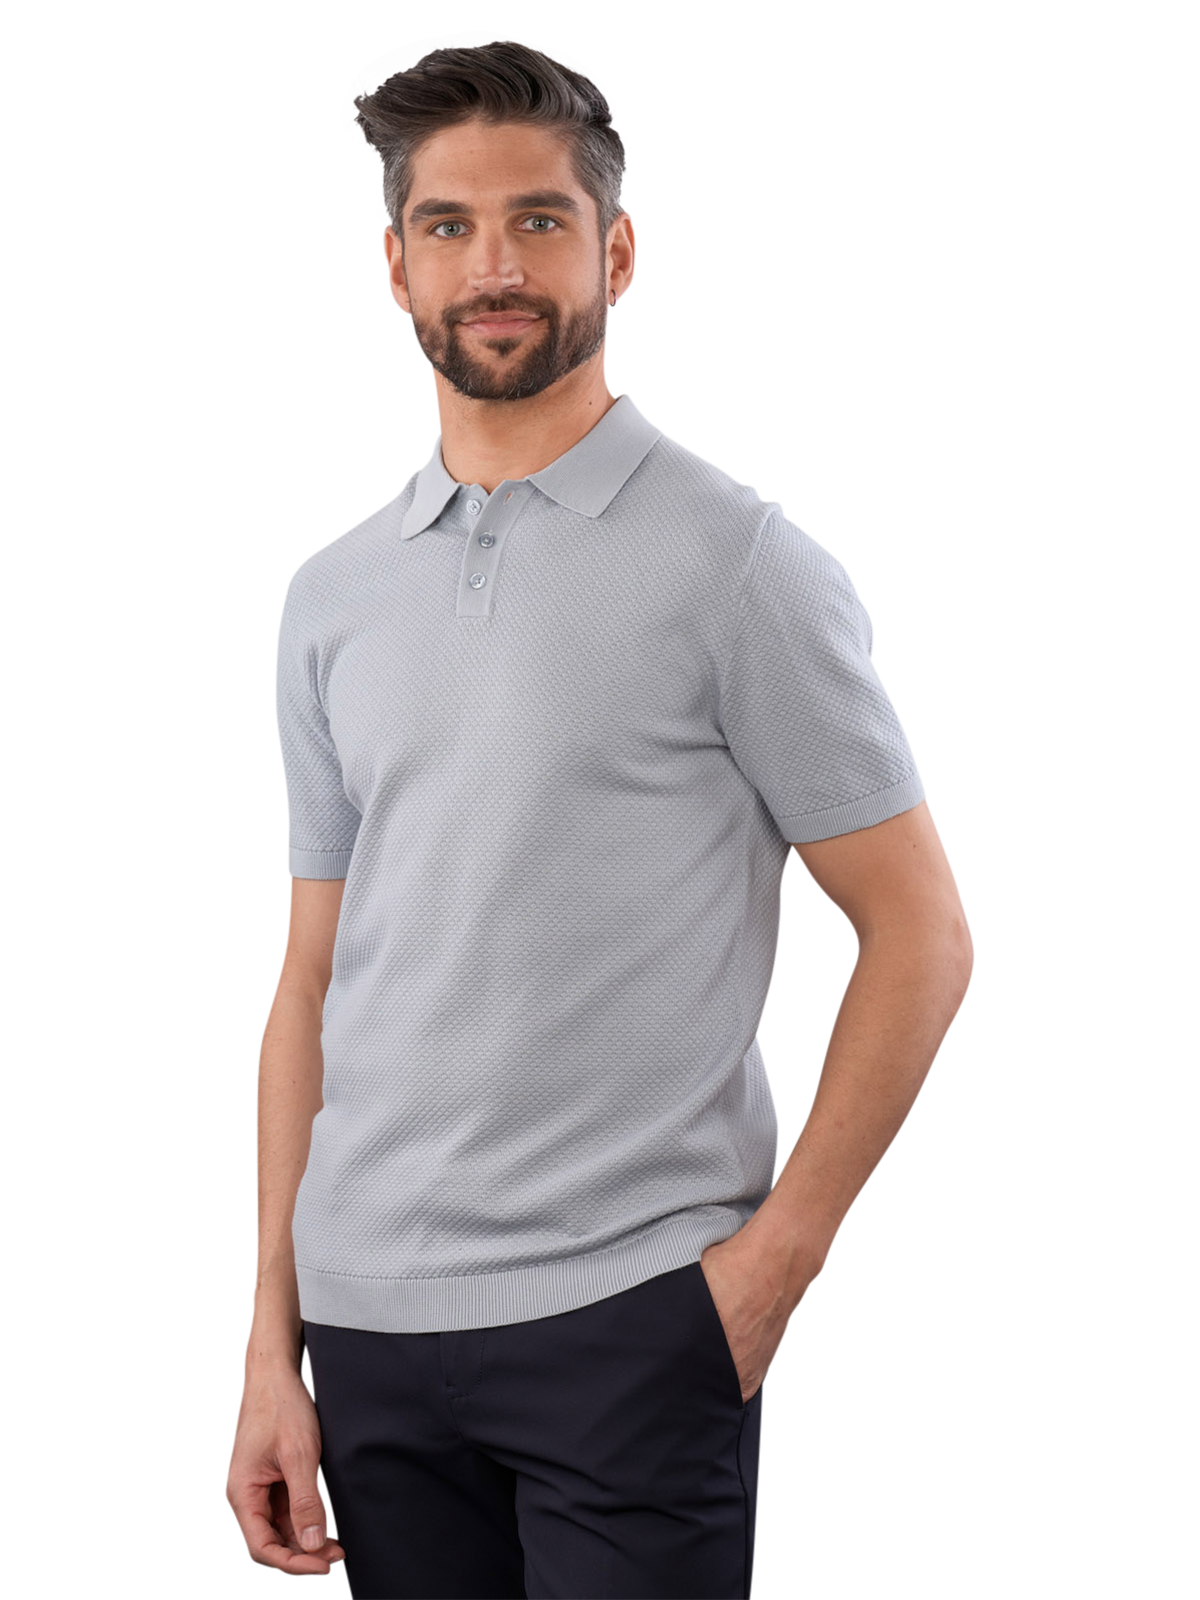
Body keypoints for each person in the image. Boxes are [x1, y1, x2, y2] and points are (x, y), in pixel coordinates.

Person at [226, 38, 973, 1600]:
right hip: (365, 1336)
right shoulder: (330, 599)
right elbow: (310, 985)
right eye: (449, 225)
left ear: (616, 253)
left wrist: (772, 1271)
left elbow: (921, 931)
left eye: (538, 221)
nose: (493, 266)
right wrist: (271, 1351)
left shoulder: (736, 562)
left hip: (629, 1325)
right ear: (396, 266)